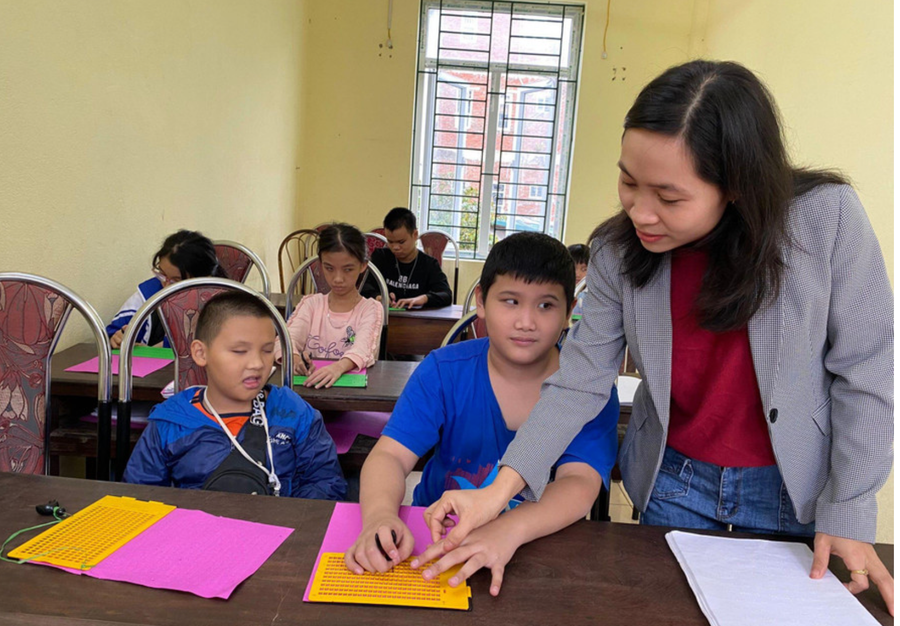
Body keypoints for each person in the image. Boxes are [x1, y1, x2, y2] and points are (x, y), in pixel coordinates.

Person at [422, 60, 894, 614]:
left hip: (798, 489)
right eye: (628, 181)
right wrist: (497, 493)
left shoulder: (825, 221)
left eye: (669, 198)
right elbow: (578, 384)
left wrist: (850, 510)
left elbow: (866, 374)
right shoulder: (619, 254)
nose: (640, 212)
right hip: (676, 483)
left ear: (737, 185)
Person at [344, 232, 619, 596]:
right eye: (510, 301)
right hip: (435, 547)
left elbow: (580, 484)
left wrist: (508, 529)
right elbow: (391, 455)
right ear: (481, 302)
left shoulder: (589, 389)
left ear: (570, 313)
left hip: (537, 550)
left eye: (546, 306)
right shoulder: (444, 370)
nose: (526, 321)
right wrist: (379, 516)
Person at [124, 291, 347, 500]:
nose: (257, 363)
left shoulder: (293, 412)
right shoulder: (171, 421)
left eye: (267, 350)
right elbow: (139, 497)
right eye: (240, 351)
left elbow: (327, 483)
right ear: (201, 353)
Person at [277, 223, 384, 388]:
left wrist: (338, 368)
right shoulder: (311, 303)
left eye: (348, 269)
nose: (338, 278)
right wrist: (295, 359)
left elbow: (364, 350)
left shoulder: (371, 308)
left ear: (363, 266)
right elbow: (285, 341)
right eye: (329, 268)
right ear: (320, 264)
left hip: (351, 398)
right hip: (308, 395)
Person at [106, 230, 226, 348]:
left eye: (176, 281)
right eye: (162, 274)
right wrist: (116, 338)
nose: (166, 286)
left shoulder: (223, 306)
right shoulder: (150, 293)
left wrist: (157, 349)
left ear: (204, 279)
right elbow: (115, 331)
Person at [360, 207, 453, 309]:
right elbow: (364, 287)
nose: (395, 247)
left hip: (418, 321)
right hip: (385, 318)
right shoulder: (381, 257)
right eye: (390, 241)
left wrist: (424, 298)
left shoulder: (429, 264)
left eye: (401, 242)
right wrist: (378, 296)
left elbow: (446, 295)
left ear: (415, 235)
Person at [567, 243, 589, 316]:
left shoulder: (586, 296)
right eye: (573, 268)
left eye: (584, 269)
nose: (577, 274)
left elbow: (576, 319)